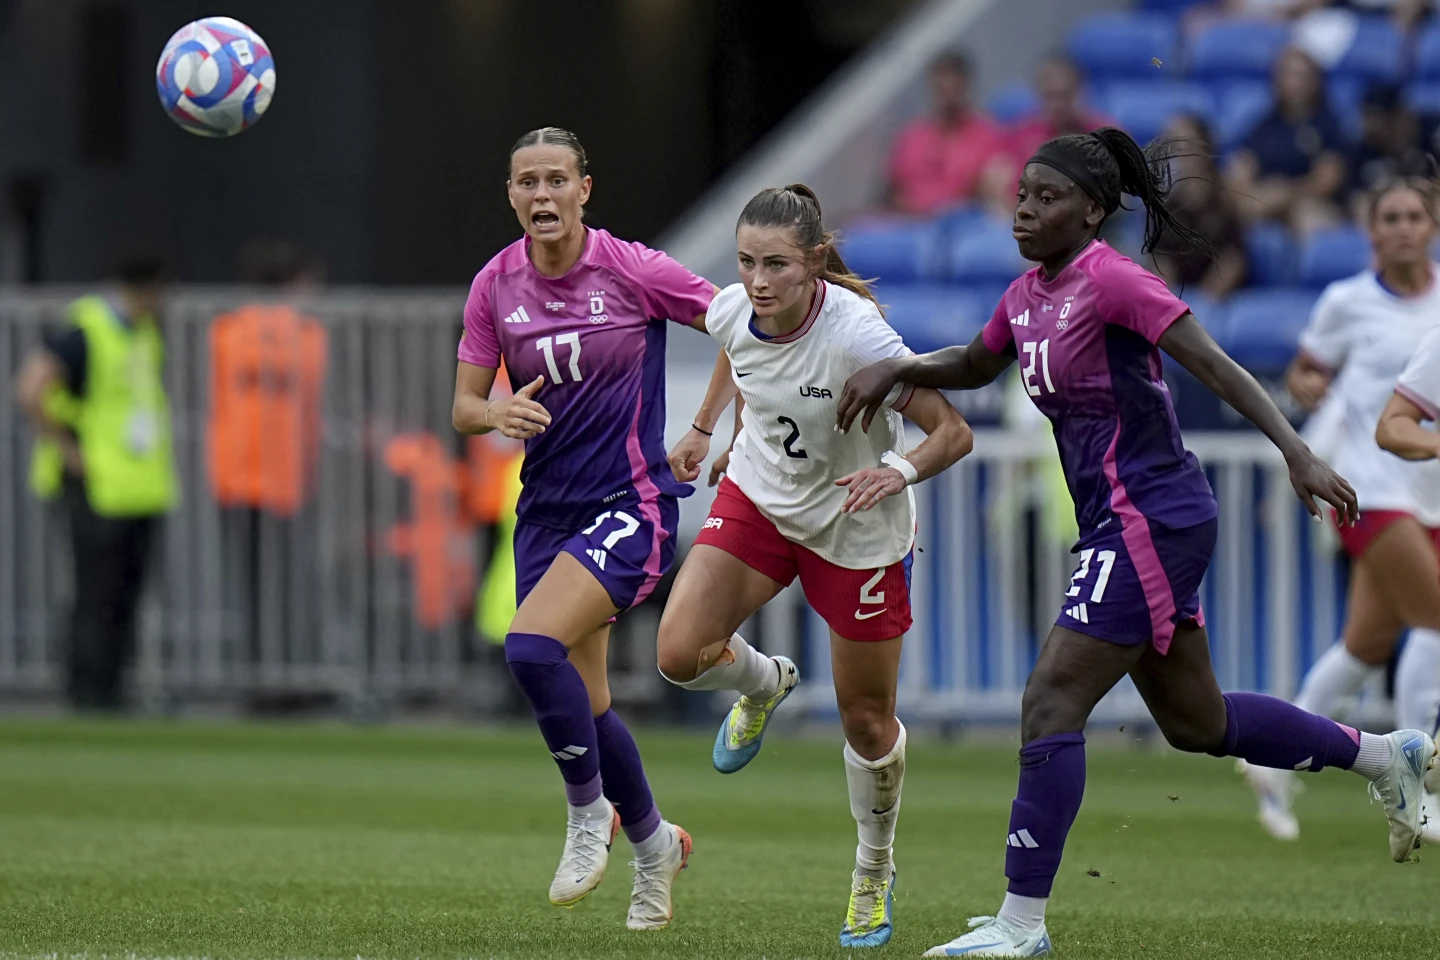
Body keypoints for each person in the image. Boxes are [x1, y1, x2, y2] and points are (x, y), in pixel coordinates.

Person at [835, 128, 1435, 958]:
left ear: (1091, 211)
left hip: (1153, 516)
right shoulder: (1025, 295)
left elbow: (1217, 366)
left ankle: (1021, 926)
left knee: (1050, 701)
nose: (1025, 211)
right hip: (1124, 523)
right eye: (1021, 196)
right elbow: (977, 363)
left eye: (1046, 199)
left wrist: (1297, 451)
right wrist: (896, 369)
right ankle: (1382, 755)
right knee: (1197, 721)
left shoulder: (1117, 282)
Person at [658, 184, 974, 948]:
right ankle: (766, 683)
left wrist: (895, 472)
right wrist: (714, 428)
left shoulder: (859, 336)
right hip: (761, 498)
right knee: (678, 654)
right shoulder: (738, 307)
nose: (758, 282)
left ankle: (873, 868)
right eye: (746, 263)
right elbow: (742, 355)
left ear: (815, 265)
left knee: (866, 722)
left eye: (775, 266)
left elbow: (952, 432)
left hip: (855, 526)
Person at [451, 126, 716, 930]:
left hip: (630, 506)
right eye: (526, 181)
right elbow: (462, 407)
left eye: (556, 179)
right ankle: (653, 843)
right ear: (511, 195)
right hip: (547, 513)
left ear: (584, 189)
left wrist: (705, 427)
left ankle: (586, 816)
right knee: (591, 704)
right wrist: (496, 410)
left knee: (528, 649)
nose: (541, 195)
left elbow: (737, 324)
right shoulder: (494, 285)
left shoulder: (631, 269)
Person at [1244, 177, 1440, 842]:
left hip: (1428, 494)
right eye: (1391, 216)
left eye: (1416, 215)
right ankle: (1415, 789)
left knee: (1365, 645)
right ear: (1372, 231)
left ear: (1432, 225)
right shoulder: (1347, 301)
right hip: (1368, 487)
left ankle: (1270, 755)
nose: (1405, 227)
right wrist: (1310, 384)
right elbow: (1307, 368)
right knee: (1436, 618)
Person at [15, 257, 177, 711]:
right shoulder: (85, 329)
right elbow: (30, 388)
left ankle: (111, 688)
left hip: (137, 484)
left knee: (124, 592)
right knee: (95, 593)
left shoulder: (142, 334)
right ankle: (87, 692)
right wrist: (67, 448)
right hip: (94, 483)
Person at [1226, 46, 1349, 234]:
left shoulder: (1328, 126)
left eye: (1301, 76)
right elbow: (1240, 169)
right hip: (1264, 202)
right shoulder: (1265, 124)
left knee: (1310, 217)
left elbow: (1327, 181)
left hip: (1306, 202)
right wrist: (1253, 195)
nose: (1295, 83)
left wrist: (1285, 194)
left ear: (1316, 81)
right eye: (1289, 75)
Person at [886, 53, 1008, 216]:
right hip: (909, 222)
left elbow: (988, 190)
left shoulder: (987, 135)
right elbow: (894, 189)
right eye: (941, 89)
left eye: (954, 89)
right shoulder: (912, 135)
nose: (948, 97)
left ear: (965, 86)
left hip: (962, 223)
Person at [1150, 114, 1248, 299]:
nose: (1180, 155)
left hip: (1222, 299)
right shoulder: (1165, 207)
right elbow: (1162, 264)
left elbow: (1233, 262)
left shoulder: (1227, 200)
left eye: (1187, 146)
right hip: (1179, 300)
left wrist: (1203, 305)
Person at [1005, 55, 1112, 172]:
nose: (1059, 105)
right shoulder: (1022, 137)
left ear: (1080, 91)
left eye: (1065, 94)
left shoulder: (1107, 136)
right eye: (1051, 96)